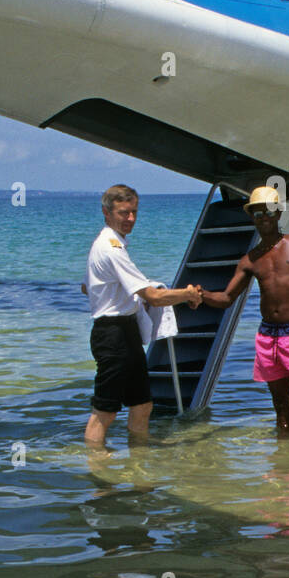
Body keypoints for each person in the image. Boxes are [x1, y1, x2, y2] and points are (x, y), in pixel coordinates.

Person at [199, 186, 289, 442]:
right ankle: (284, 464)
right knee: (281, 406)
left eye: (269, 211)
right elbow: (226, 298)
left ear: (278, 213)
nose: (264, 217)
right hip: (268, 340)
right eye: (257, 213)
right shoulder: (250, 260)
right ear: (251, 217)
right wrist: (199, 295)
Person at [80, 184, 201, 444]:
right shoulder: (110, 248)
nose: (131, 219)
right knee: (105, 412)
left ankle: (140, 461)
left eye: (134, 212)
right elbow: (154, 298)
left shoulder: (112, 245)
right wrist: (188, 294)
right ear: (107, 212)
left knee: (143, 405)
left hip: (127, 331)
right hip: (111, 335)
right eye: (124, 213)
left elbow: (85, 286)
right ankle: (99, 472)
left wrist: (120, 294)